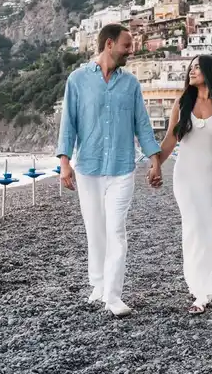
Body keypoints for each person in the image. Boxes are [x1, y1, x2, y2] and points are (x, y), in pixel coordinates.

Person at [56, 23, 162, 317]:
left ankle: (113, 296)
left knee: (116, 230)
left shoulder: (131, 85)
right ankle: (98, 285)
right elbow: (69, 123)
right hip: (88, 168)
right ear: (109, 45)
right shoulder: (77, 80)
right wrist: (64, 162)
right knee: (95, 231)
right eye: (127, 45)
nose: (131, 50)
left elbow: (142, 124)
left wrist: (155, 159)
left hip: (121, 168)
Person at [159, 55, 212, 314]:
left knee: (208, 230)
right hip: (186, 175)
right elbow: (171, 138)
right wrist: (156, 164)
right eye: (190, 67)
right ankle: (200, 292)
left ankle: (202, 285)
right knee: (194, 227)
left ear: (210, 71)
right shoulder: (183, 103)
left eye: (197, 67)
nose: (192, 71)